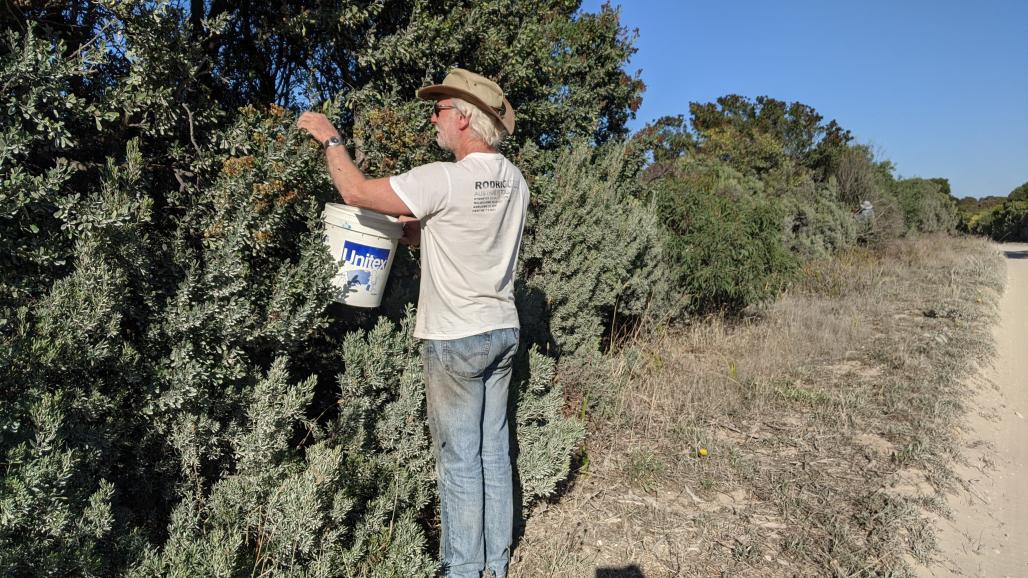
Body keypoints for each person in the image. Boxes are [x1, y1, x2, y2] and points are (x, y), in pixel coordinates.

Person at [297, 68, 528, 578]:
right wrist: (406, 230)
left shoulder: (442, 178)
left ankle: (462, 570)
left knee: (459, 461)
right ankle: (495, 565)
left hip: (455, 336)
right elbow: (440, 234)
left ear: (465, 119)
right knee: (492, 451)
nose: (435, 118)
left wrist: (331, 139)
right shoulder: (514, 181)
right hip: (502, 329)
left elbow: (355, 192)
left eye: (441, 110)